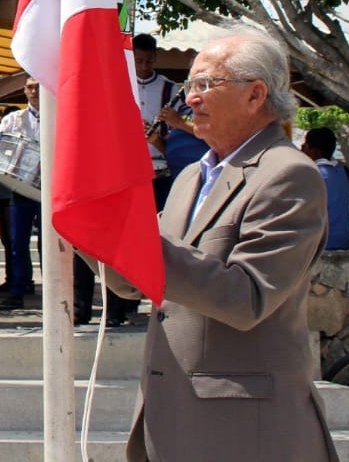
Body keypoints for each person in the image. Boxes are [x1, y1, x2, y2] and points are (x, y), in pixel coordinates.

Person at [102, 25, 337, 462]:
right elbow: (133, 281)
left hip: (246, 431)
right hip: (170, 419)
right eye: (191, 85)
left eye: (207, 84)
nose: (190, 98)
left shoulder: (288, 175)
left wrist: (130, 233)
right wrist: (89, 228)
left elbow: (246, 297)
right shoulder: (191, 177)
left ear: (255, 95)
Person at [0, 79, 42, 313]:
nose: (34, 91)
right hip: (22, 187)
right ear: (24, 90)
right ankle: (17, 291)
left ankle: (57, 291)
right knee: (17, 242)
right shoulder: (15, 118)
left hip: (52, 188)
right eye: (30, 87)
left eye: (38, 86)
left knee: (51, 245)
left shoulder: (61, 113)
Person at [302, 126, 349, 250]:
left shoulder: (313, 174)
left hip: (321, 246)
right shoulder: (341, 172)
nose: (301, 148)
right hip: (342, 241)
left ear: (315, 151)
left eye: (305, 145)